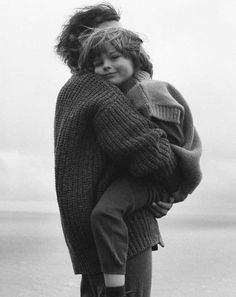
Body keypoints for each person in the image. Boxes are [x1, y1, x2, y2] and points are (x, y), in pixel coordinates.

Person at [54, 3, 187, 297]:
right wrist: (169, 187)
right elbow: (154, 156)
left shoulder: (71, 90)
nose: (118, 38)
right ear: (81, 41)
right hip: (124, 234)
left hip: (92, 242)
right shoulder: (97, 89)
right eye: (109, 33)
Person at [76, 26, 202, 294]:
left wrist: (171, 189)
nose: (106, 67)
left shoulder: (147, 91)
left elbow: (164, 152)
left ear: (135, 58)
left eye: (115, 58)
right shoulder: (126, 91)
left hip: (158, 176)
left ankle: (115, 289)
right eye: (99, 63)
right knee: (105, 213)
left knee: (106, 213)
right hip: (144, 178)